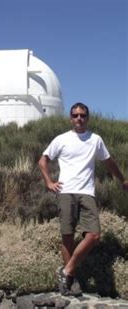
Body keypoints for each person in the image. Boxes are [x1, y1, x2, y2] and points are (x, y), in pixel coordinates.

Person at [38, 102, 128, 296]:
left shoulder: (95, 139)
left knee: (94, 235)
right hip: (66, 191)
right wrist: (49, 182)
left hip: (87, 192)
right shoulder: (61, 139)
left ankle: (67, 269)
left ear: (87, 118)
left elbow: (109, 162)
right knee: (67, 235)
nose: (79, 119)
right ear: (71, 118)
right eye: (75, 115)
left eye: (83, 115)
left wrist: (123, 180)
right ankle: (70, 281)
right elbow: (43, 160)